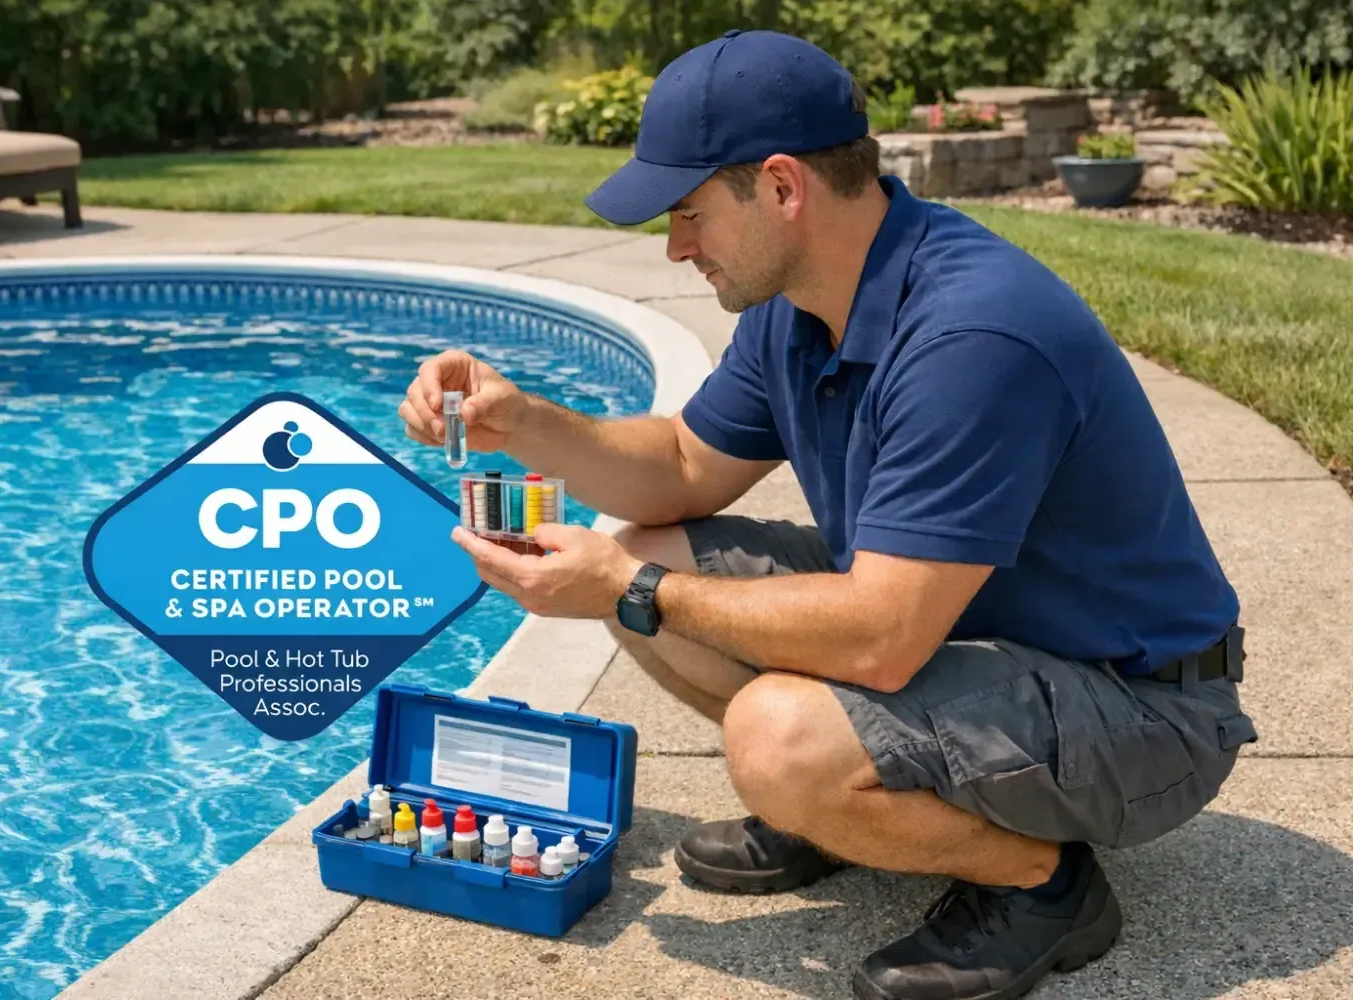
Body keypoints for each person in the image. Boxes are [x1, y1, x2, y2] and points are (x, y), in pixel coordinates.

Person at [397, 29, 1257, 1000]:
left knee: (772, 730)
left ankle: (1043, 882)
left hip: (1144, 710)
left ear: (780, 188)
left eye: (687, 214)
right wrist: (523, 422)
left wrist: (630, 587)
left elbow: (884, 637)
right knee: (654, 545)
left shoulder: (972, 334)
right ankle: (847, 807)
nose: (676, 248)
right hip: (984, 636)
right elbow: (681, 468)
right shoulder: (799, 305)